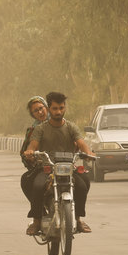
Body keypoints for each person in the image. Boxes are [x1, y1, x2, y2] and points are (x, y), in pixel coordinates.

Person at [24, 92, 95, 235]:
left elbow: (82, 144)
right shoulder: (40, 128)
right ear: (49, 109)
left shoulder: (71, 127)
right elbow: (32, 145)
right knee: (37, 186)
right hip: (47, 168)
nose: (58, 112)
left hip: (68, 168)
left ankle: (78, 219)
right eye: (55, 108)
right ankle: (37, 221)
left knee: (83, 184)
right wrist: (30, 152)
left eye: (61, 108)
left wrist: (89, 154)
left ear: (65, 108)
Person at [20, 96, 49, 221]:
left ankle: (78, 218)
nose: (40, 112)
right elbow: (25, 151)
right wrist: (30, 157)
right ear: (33, 115)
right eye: (36, 111)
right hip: (44, 167)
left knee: (82, 183)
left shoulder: (63, 124)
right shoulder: (33, 130)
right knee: (29, 182)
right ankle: (37, 217)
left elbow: (76, 142)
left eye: (41, 108)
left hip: (64, 165)